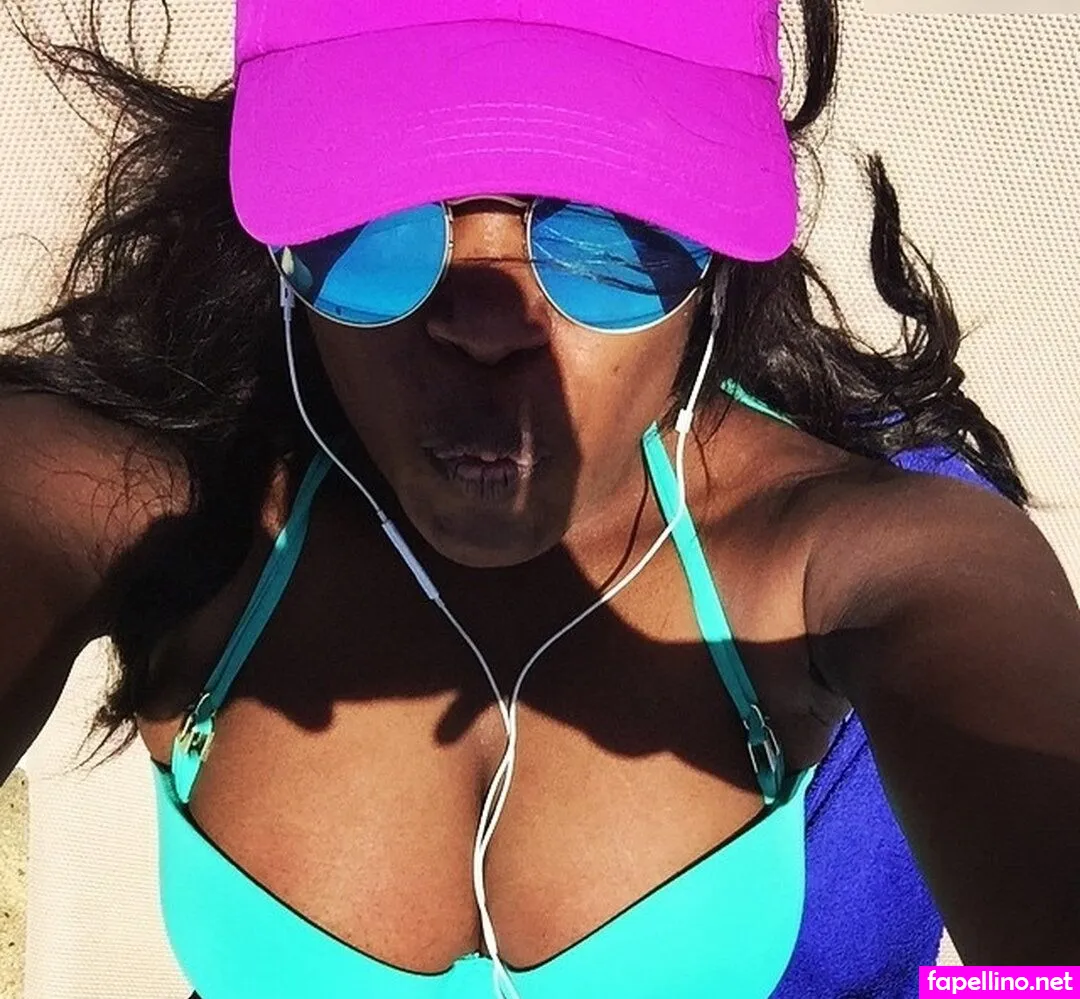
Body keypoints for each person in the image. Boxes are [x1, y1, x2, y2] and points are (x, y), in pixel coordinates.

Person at [0, 0, 1077, 997]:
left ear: (716, 256)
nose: (486, 320)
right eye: (381, 222)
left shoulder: (880, 558)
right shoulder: (145, 502)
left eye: (601, 233)